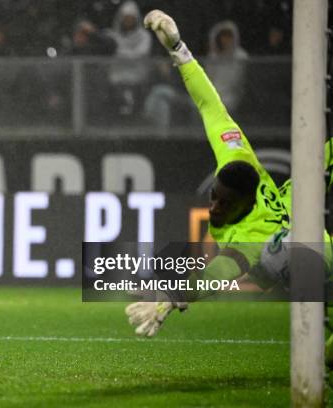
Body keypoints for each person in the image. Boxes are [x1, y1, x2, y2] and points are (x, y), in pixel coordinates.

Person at [126, 10, 331, 337]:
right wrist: (179, 50)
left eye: (226, 204)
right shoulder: (235, 156)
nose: (215, 207)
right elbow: (211, 106)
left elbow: (218, 271)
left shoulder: (252, 239)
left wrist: (169, 299)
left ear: (246, 205)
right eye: (214, 196)